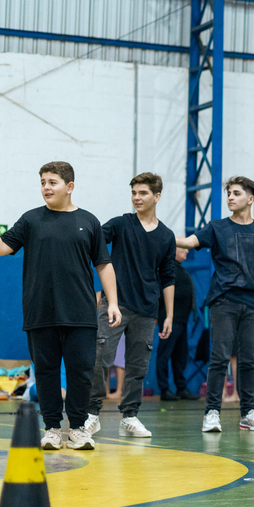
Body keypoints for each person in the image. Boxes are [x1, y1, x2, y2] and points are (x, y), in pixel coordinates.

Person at [0, 161, 119, 450]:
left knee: (81, 372)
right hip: (40, 312)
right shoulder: (31, 220)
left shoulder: (89, 221)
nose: (46, 188)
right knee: (46, 373)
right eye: (43, 182)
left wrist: (113, 302)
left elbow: (103, 264)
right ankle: (52, 429)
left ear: (69, 187)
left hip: (80, 313)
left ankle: (78, 429)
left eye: (52, 182)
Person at [176, 176, 254, 434]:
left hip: (253, 302)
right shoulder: (217, 227)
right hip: (223, 300)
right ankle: (211, 413)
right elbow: (189, 242)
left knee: (250, 359)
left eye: (236, 193)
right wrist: (158, 233)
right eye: (229, 193)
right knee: (220, 357)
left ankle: (249, 413)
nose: (230, 197)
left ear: (250, 199)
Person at [87, 172, 177, 439]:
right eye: (134, 193)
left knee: (137, 366)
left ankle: (129, 416)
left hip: (147, 309)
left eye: (143, 193)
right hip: (115, 305)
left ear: (156, 196)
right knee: (100, 358)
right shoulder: (120, 224)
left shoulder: (166, 236)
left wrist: (168, 315)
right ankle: (91, 414)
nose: (137, 198)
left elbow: (168, 277)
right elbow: (93, 240)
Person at [156, 246, 197, 401]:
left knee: (180, 356)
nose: (187, 251)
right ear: (175, 250)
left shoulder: (180, 269)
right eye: (184, 249)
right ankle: (164, 389)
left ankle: (181, 388)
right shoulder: (167, 268)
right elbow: (160, 293)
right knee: (164, 354)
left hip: (182, 320)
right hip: (169, 320)